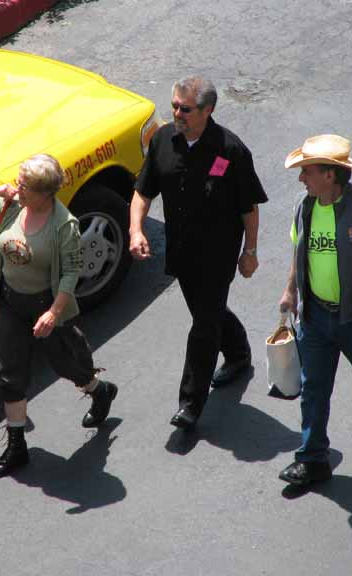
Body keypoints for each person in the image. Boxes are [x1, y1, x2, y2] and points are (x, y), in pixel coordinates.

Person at [0, 153, 118, 480]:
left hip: (46, 306)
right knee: (9, 375)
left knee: (67, 364)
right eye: (18, 183)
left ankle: (98, 389)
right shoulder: (13, 205)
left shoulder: (64, 225)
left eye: (25, 187)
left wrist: (53, 312)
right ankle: (17, 447)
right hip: (11, 304)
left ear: (45, 193)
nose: (18, 190)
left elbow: (70, 275)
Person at [129, 76, 267, 429]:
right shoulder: (162, 140)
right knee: (208, 310)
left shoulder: (230, 151)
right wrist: (135, 229)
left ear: (208, 111)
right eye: (174, 105)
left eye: (185, 109)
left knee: (203, 325)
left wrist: (249, 251)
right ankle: (237, 352)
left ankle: (190, 403)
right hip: (181, 249)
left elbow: (248, 208)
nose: (177, 113)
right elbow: (143, 192)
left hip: (218, 254)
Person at [277, 134, 352, 487]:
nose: (301, 178)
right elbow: (299, 252)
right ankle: (312, 458)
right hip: (315, 319)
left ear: (330, 175)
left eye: (307, 171)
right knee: (313, 388)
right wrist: (290, 292)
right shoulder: (305, 208)